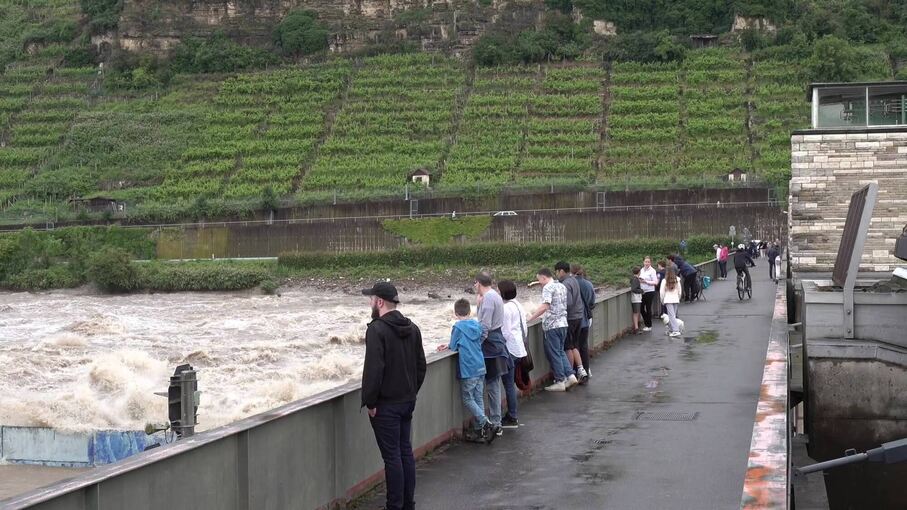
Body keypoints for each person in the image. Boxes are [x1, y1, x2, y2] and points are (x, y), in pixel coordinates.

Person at [361, 282, 427, 510]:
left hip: (385, 406)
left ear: (379, 302)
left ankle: (394, 506)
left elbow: (373, 370)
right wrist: (411, 392)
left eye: (371, 299)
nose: (370, 303)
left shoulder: (376, 330)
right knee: (405, 452)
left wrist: (370, 402)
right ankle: (407, 504)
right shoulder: (413, 327)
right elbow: (421, 366)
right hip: (407, 401)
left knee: (392, 458)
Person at [437, 299, 495, 444]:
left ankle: (486, 423)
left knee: (468, 398)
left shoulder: (458, 327)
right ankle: (480, 431)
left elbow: (454, 345)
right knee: (478, 398)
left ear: (456, 313)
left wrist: (447, 345)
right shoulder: (477, 325)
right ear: (470, 312)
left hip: (468, 368)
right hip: (480, 365)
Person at [474, 272, 509, 438]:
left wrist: (475, 345)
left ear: (479, 283)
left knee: (491, 384)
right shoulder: (494, 295)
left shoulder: (488, 299)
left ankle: (494, 423)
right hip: (497, 343)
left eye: (475, 284)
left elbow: (484, 326)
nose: (474, 287)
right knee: (493, 383)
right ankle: (495, 422)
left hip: (490, 347)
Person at [527, 268, 573, 392]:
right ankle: (570, 375)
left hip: (552, 325)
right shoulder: (561, 286)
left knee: (554, 353)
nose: (539, 283)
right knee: (560, 351)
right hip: (563, 323)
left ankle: (560, 380)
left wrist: (531, 317)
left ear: (543, 278)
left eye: (539, 280)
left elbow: (545, 306)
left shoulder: (548, 288)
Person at [498, 280, 527, 428]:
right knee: (511, 383)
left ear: (502, 293)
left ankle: (512, 416)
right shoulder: (517, 305)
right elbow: (524, 327)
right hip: (519, 347)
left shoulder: (505, 309)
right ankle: (512, 414)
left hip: (510, 350)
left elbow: (505, 332)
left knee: (508, 384)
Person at [553, 261, 585, 385]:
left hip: (570, 318)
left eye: (556, 272)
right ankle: (580, 370)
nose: (556, 274)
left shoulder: (565, 284)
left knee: (568, 347)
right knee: (574, 345)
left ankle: (569, 374)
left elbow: (568, 302)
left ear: (561, 271)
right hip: (578, 316)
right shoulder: (573, 280)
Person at [572, 264, 595, 381]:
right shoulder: (588, 284)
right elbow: (592, 301)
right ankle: (586, 369)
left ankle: (577, 371)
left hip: (574, 320)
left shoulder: (570, 284)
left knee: (574, 346)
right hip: (586, 319)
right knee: (584, 346)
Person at [659, 268, 683, 337]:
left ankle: (676, 330)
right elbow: (680, 291)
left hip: (668, 300)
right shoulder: (677, 280)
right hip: (675, 299)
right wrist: (678, 298)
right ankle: (672, 329)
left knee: (671, 316)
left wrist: (662, 300)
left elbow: (662, 292)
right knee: (673, 316)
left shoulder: (664, 281)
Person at [638, 256, 658, 331]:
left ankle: (649, 325)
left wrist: (646, 281)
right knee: (641, 308)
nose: (647, 263)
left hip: (650, 291)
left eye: (648, 262)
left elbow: (655, 282)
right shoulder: (641, 270)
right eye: (646, 262)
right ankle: (647, 322)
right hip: (642, 291)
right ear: (643, 262)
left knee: (648, 308)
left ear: (650, 263)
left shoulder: (652, 271)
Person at [630, 266, 643, 334]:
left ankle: (637, 327)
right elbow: (634, 289)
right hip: (636, 298)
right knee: (636, 313)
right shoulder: (635, 279)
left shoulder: (635, 279)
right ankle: (636, 328)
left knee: (637, 312)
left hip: (637, 298)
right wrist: (641, 290)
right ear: (639, 272)